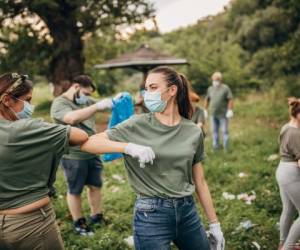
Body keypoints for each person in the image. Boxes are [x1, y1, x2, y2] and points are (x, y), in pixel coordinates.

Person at [81, 66, 225, 250]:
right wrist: (128, 147)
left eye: (153, 87)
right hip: (151, 214)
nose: (146, 94)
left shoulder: (193, 131)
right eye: (146, 88)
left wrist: (214, 224)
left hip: (187, 211)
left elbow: (200, 181)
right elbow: (89, 143)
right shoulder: (137, 124)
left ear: (172, 91)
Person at [0, 73, 88, 250]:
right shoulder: (25, 129)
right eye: (27, 100)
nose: (30, 107)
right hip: (30, 223)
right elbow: (81, 136)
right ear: (8, 100)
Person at [51, 75, 119, 236]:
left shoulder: (86, 101)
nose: (88, 98)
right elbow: (71, 118)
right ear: (75, 87)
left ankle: (97, 216)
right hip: (73, 156)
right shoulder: (60, 103)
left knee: (95, 186)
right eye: (86, 94)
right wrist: (97, 107)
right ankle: (79, 222)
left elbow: (100, 103)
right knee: (75, 190)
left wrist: (115, 100)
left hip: (92, 152)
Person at [276, 98, 300, 250]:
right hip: (291, 174)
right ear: (298, 114)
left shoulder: (286, 127)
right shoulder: (296, 133)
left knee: (288, 209)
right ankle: (288, 247)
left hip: (282, 170)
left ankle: (283, 243)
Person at [204, 72, 234, 150]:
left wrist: (230, 110)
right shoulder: (210, 89)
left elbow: (230, 99)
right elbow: (207, 99)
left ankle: (225, 147)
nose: (215, 81)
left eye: (217, 80)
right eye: (214, 80)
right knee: (214, 131)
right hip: (213, 114)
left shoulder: (225, 88)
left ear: (220, 80)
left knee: (224, 131)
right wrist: (205, 110)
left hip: (223, 114)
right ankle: (215, 147)